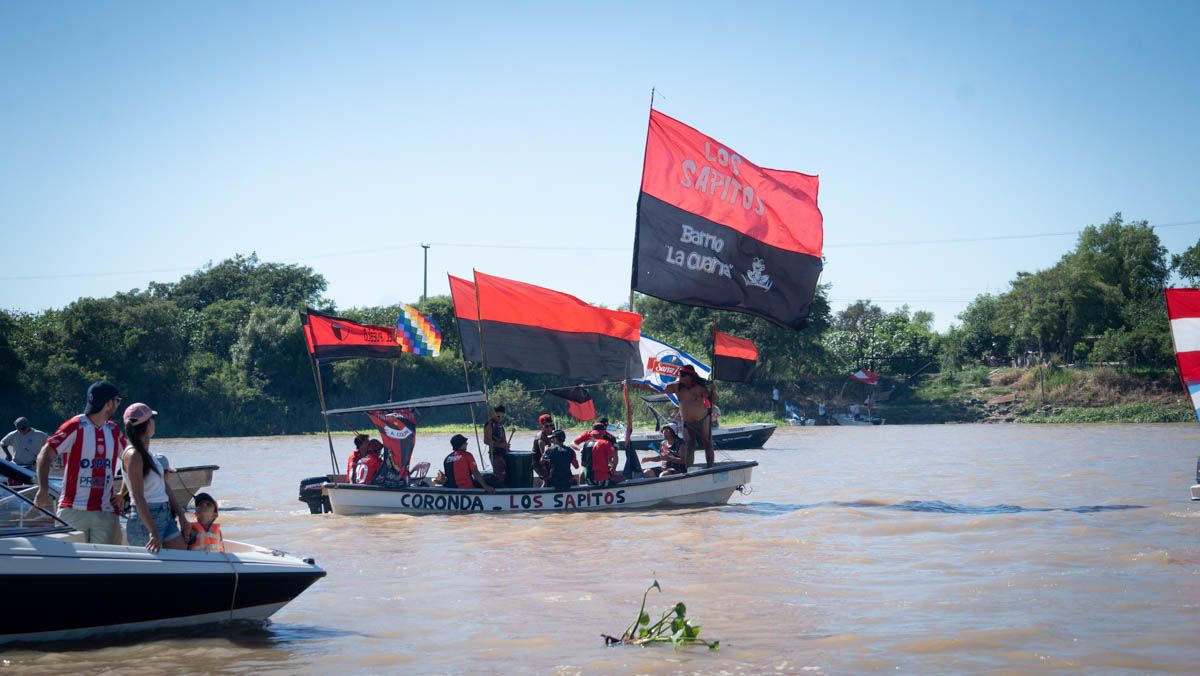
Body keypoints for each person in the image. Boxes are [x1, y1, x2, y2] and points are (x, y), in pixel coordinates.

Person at [34, 381, 125, 544]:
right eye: (117, 401)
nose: (118, 405)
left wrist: (123, 492)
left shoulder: (113, 430)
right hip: (73, 509)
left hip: (105, 510)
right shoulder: (75, 426)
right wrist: (43, 489)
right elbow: (44, 455)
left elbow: (131, 461)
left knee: (104, 565)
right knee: (71, 566)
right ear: (109, 403)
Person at [121, 403, 190, 554]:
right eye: (152, 419)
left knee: (183, 559)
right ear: (147, 425)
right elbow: (138, 497)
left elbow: (162, 485)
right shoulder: (134, 455)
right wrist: (152, 531)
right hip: (145, 519)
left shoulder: (147, 453)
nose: (154, 423)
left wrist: (181, 515)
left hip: (164, 513)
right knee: (148, 570)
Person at [637, 364, 716, 469]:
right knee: (689, 446)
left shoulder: (701, 387)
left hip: (703, 419)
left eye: (683, 375)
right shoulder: (676, 386)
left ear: (691, 376)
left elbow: (714, 402)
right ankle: (689, 469)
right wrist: (640, 385)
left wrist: (713, 391)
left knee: (707, 443)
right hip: (687, 422)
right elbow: (659, 389)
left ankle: (710, 467)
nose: (680, 377)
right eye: (680, 375)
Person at [574, 422, 623, 486]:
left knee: (583, 472)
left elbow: (584, 463)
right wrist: (613, 469)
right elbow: (615, 457)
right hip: (603, 479)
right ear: (603, 433)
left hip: (590, 480)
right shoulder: (606, 443)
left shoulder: (586, 444)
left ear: (593, 433)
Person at [483, 405, 510, 486]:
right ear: (494, 414)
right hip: (495, 454)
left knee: (506, 474)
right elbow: (486, 441)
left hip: (503, 454)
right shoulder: (489, 424)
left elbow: (504, 440)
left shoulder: (500, 425)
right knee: (500, 476)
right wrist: (501, 445)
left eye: (502, 416)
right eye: (498, 416)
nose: (500, 418)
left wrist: (507, 447)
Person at [532, 413, 555, 484]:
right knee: (547, 479)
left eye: (551, 425)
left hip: (547, 460)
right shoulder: (540, 439)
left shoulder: (551, 435)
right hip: (538, 462)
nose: (549, 428)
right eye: (546, 426)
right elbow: (544, 458)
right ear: (541, 426)